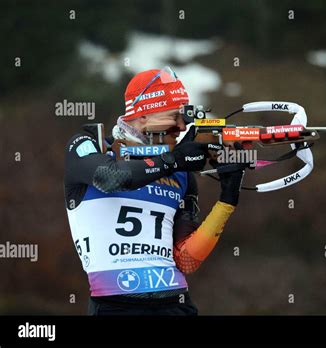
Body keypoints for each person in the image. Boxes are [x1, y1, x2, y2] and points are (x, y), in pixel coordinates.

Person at [63, 67, 244, 315]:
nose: (181, 127)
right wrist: (172, 160)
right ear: (145, 115)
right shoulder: (89, 144)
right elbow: (111, 177)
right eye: (175, 116)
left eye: (185, 118)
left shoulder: (180, 173)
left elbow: (186, 260)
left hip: (175, 304)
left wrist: (227, 199)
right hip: (115, 306)